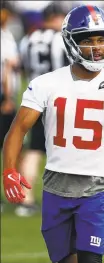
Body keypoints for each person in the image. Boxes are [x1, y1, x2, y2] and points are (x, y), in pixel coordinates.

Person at [2, 5, 104, 263]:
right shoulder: (46, 83)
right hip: (56, 185)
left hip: (97, 187)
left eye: (102, 39)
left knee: (90, 259)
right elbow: (18, 129)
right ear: (71, 41)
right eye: (88, 40)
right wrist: (9, 169)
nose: (97, 46)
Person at [15, 2, 70, 217]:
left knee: (34, 150)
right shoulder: (62, 39)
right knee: (65, 150)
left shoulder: (27, 39)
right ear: (57, 17)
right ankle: (65, 198)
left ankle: (25, 199)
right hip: (60, 100)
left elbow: (22, 68)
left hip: (34, 98)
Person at [0, 1, 20, 212]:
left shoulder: (6, 35)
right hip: (2, 96)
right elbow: (7, 67)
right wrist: (7, 98)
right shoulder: (5, 38)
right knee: (10, 142)